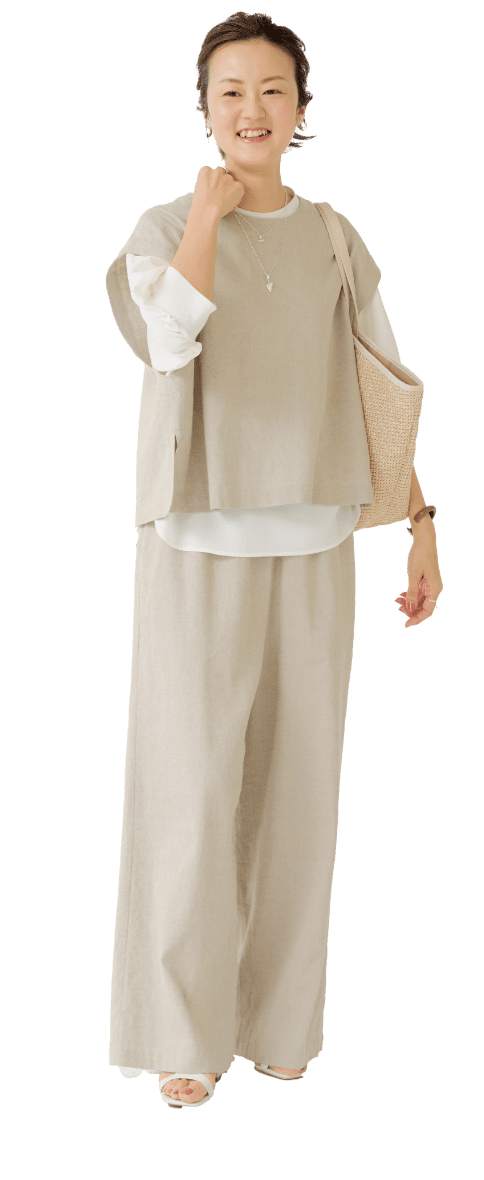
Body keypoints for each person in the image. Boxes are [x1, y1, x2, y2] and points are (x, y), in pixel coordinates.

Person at [105, 11, 443, 1111]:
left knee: (301, 798)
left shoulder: (337, 236)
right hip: (197, 538)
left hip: (316, 537)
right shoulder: (162, 226)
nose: (251, 109)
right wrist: (209, 215)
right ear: (203, 109)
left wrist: (421, 519)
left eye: (272, 91)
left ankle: (280, 1023)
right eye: (230, 91)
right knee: (190, 793)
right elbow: (168, 342)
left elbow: (384, 384)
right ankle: (182, 1034)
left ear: (302, 112)